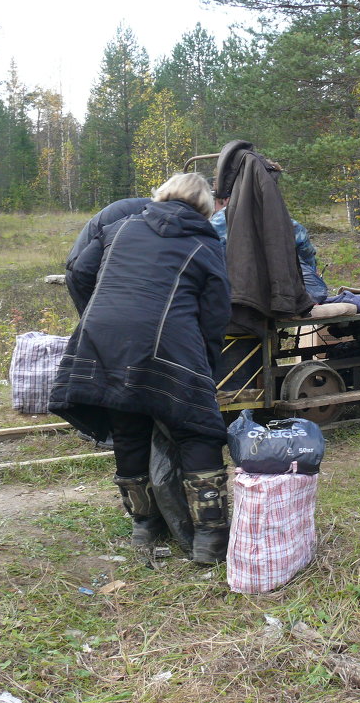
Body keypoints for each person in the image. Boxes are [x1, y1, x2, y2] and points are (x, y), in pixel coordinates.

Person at [49, 173, 231, 564]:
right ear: (204, 206)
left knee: (128, 428)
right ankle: (210, 540)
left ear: (162, 195)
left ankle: (145, 527)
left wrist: (99, 316)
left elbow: (79, 272)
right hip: (170, 341)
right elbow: (216, 314)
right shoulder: (204, 242)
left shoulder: (121, 226)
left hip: (105, 339)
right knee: (197, 430)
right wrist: (207, 366)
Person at [211, 196, 328, 304]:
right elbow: (301, 239)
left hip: (232, 292)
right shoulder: (270, 213)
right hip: (274, 292)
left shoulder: (214, 223)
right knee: (317, 289)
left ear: (226, 199)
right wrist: (311, 268)